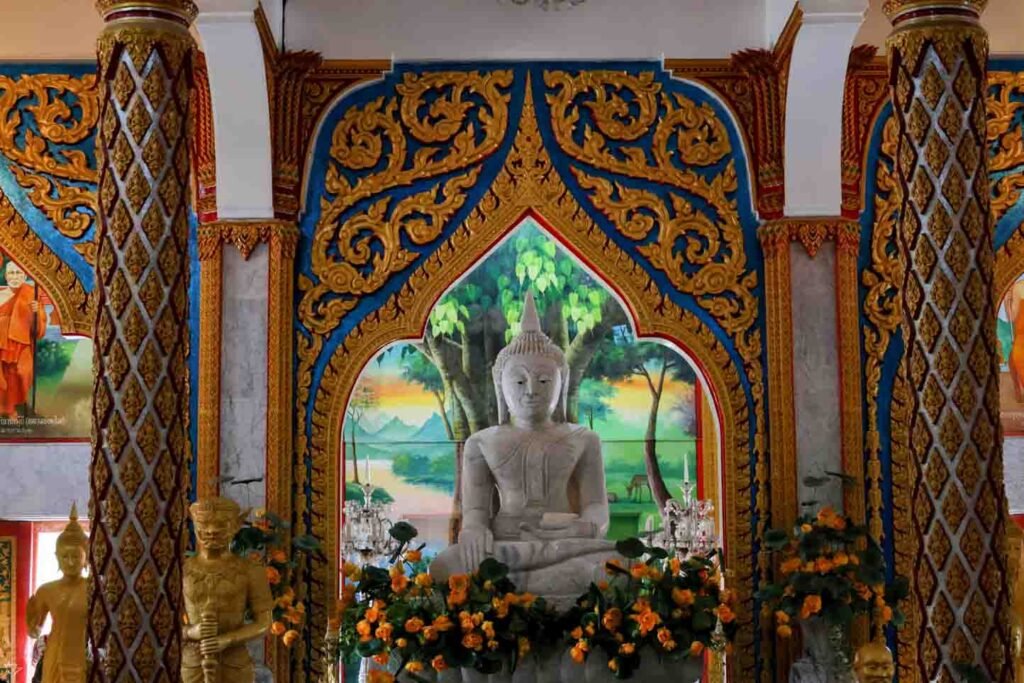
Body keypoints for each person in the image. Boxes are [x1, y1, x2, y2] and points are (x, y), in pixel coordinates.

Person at [182, 497, 273, 683]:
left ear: (236, 526)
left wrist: (228, 640)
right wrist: (191, 632)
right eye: (204, 524)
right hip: (194, 661)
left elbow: (265, 622)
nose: (211, 531)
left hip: (235, 662)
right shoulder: (182, 570)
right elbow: (164, 623)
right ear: (194, 525)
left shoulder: (250, 570)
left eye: (221, 524)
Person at [25, 505, 87, 683]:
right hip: (55, 653)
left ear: (86, 557)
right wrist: (32, 625)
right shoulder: (46, 590)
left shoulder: (92, 588)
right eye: (64, 556)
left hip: (82, 655)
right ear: (57, 557)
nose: (70, 562)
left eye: (76, 556)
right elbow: (35, 631)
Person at [0, 260, 46, 418]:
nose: (15, 276)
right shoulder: (0, 295)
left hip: (22, 342)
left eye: (18, 273)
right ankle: (8, 410)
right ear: (6, 276)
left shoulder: (31, 294)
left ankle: (19, 403)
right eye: (11, 273)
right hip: (2, 342)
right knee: (5, 377)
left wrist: (37, 311)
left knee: (23, 373)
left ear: (25, 275)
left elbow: (38, 330)